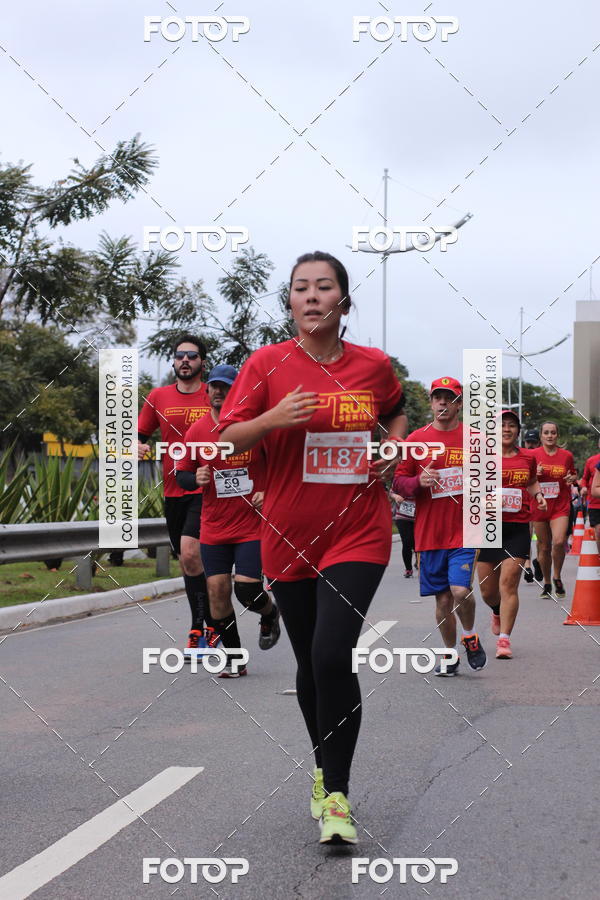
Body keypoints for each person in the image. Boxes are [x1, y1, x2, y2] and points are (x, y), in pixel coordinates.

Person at [219, 251, 406, 845]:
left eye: (324, 287)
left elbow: (398, 412)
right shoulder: (266, 364)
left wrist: (392, 447)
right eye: (301, 288)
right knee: (308, 663)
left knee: (332, 656)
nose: (312, 296)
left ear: (343, 302)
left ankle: (338, 795)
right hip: (288, 532)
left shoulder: (373, 366)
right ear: (292, 303)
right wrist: (273, 417)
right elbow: (227, 437)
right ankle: (323, 774)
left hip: (359, 529)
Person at [176, 364, 281, 678]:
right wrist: (194, 477)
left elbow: (281, 467)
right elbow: (181, 474)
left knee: (247, 590)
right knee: (217, 591)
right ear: (207, 390)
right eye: (214, 386)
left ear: (240, 392)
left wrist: (268, 490)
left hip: (251, 524)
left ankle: (270, 611)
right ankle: (235, 658)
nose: (219, 392)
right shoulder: (196, 431)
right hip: (214, 526)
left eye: (227, 387)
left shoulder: (255, 427)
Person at [393, 377, 487, 677]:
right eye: (438, 398)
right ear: (432, 402)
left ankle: (470, 636)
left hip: (465, 530)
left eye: (449, 398)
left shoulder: (475, 439)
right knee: (443, 599)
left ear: (459, 404)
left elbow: (490, 479)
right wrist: (417, 482)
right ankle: (449, 655)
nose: (443, 403)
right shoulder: (416, 441)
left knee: (460, 591)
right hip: (430, 533)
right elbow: (398, 481)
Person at [137, 335, 212, 651]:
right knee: (189, 561)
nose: (185, 360)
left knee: (192, 554)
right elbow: (138, 435)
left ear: (201, 363)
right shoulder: (158, 396)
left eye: (192, 356)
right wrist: (137, 446)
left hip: (209, 490)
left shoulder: (215, 395)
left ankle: (203, 629)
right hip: (174, 491)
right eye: (180, 355)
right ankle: (210, 622)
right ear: (173, 361)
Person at [477, 411, 546, 658]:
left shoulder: (528, 457)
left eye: (511, 426)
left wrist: (537, 494)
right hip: (487, 528)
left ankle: (504, 640)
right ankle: (496, 610)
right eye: (502, 425)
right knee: (487, 591)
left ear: (518, 430)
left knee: (509, 582)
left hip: (516, 527)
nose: (507, 429)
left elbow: (531, 481)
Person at [531, 422, 577, 598]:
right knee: (543, 547)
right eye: (546, 433)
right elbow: (526, 479)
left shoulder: (566, 455)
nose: (550, 436)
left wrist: (571, 477)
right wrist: (536, 473)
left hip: (560, 504)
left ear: (557, 435)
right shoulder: (533, 455)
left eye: (553, 433)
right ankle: (547, 583)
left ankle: (557, 576)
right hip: (540, 505)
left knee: (558, 542)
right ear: (541, 436)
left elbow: (572, 475)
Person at [521, 428, 542, 583]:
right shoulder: (522, 455)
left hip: (542, 502)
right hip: (526, 502)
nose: (531, 445)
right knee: (527, 535)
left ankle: (539, 561)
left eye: (534, 442)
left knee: (543, 540)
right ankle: (527, 565)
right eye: (529, 442)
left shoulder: (543, 456)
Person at [389, 489, 416, 577]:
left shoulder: (423, 477)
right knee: (406, 541)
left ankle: (419, 560)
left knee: (416, 542)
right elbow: (391, 492)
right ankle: (408, 568)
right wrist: (396, 496)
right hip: (402, 516)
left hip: (419, 516)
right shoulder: (400, 477)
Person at [581, 438, 600, 558]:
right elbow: (584, 478)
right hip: (595, 503)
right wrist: (583, 487)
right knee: (599, 532)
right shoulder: (592, 461)